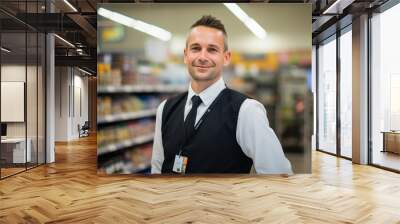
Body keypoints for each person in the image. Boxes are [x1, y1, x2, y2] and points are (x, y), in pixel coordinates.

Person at [151, 15, 292, 174]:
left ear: (226, 57)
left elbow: (278, 175)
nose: (202, 57)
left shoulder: (246, 111)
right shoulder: (165, 109)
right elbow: (157, 167)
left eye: (212, 49)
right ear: (185, 55)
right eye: (196, 48)